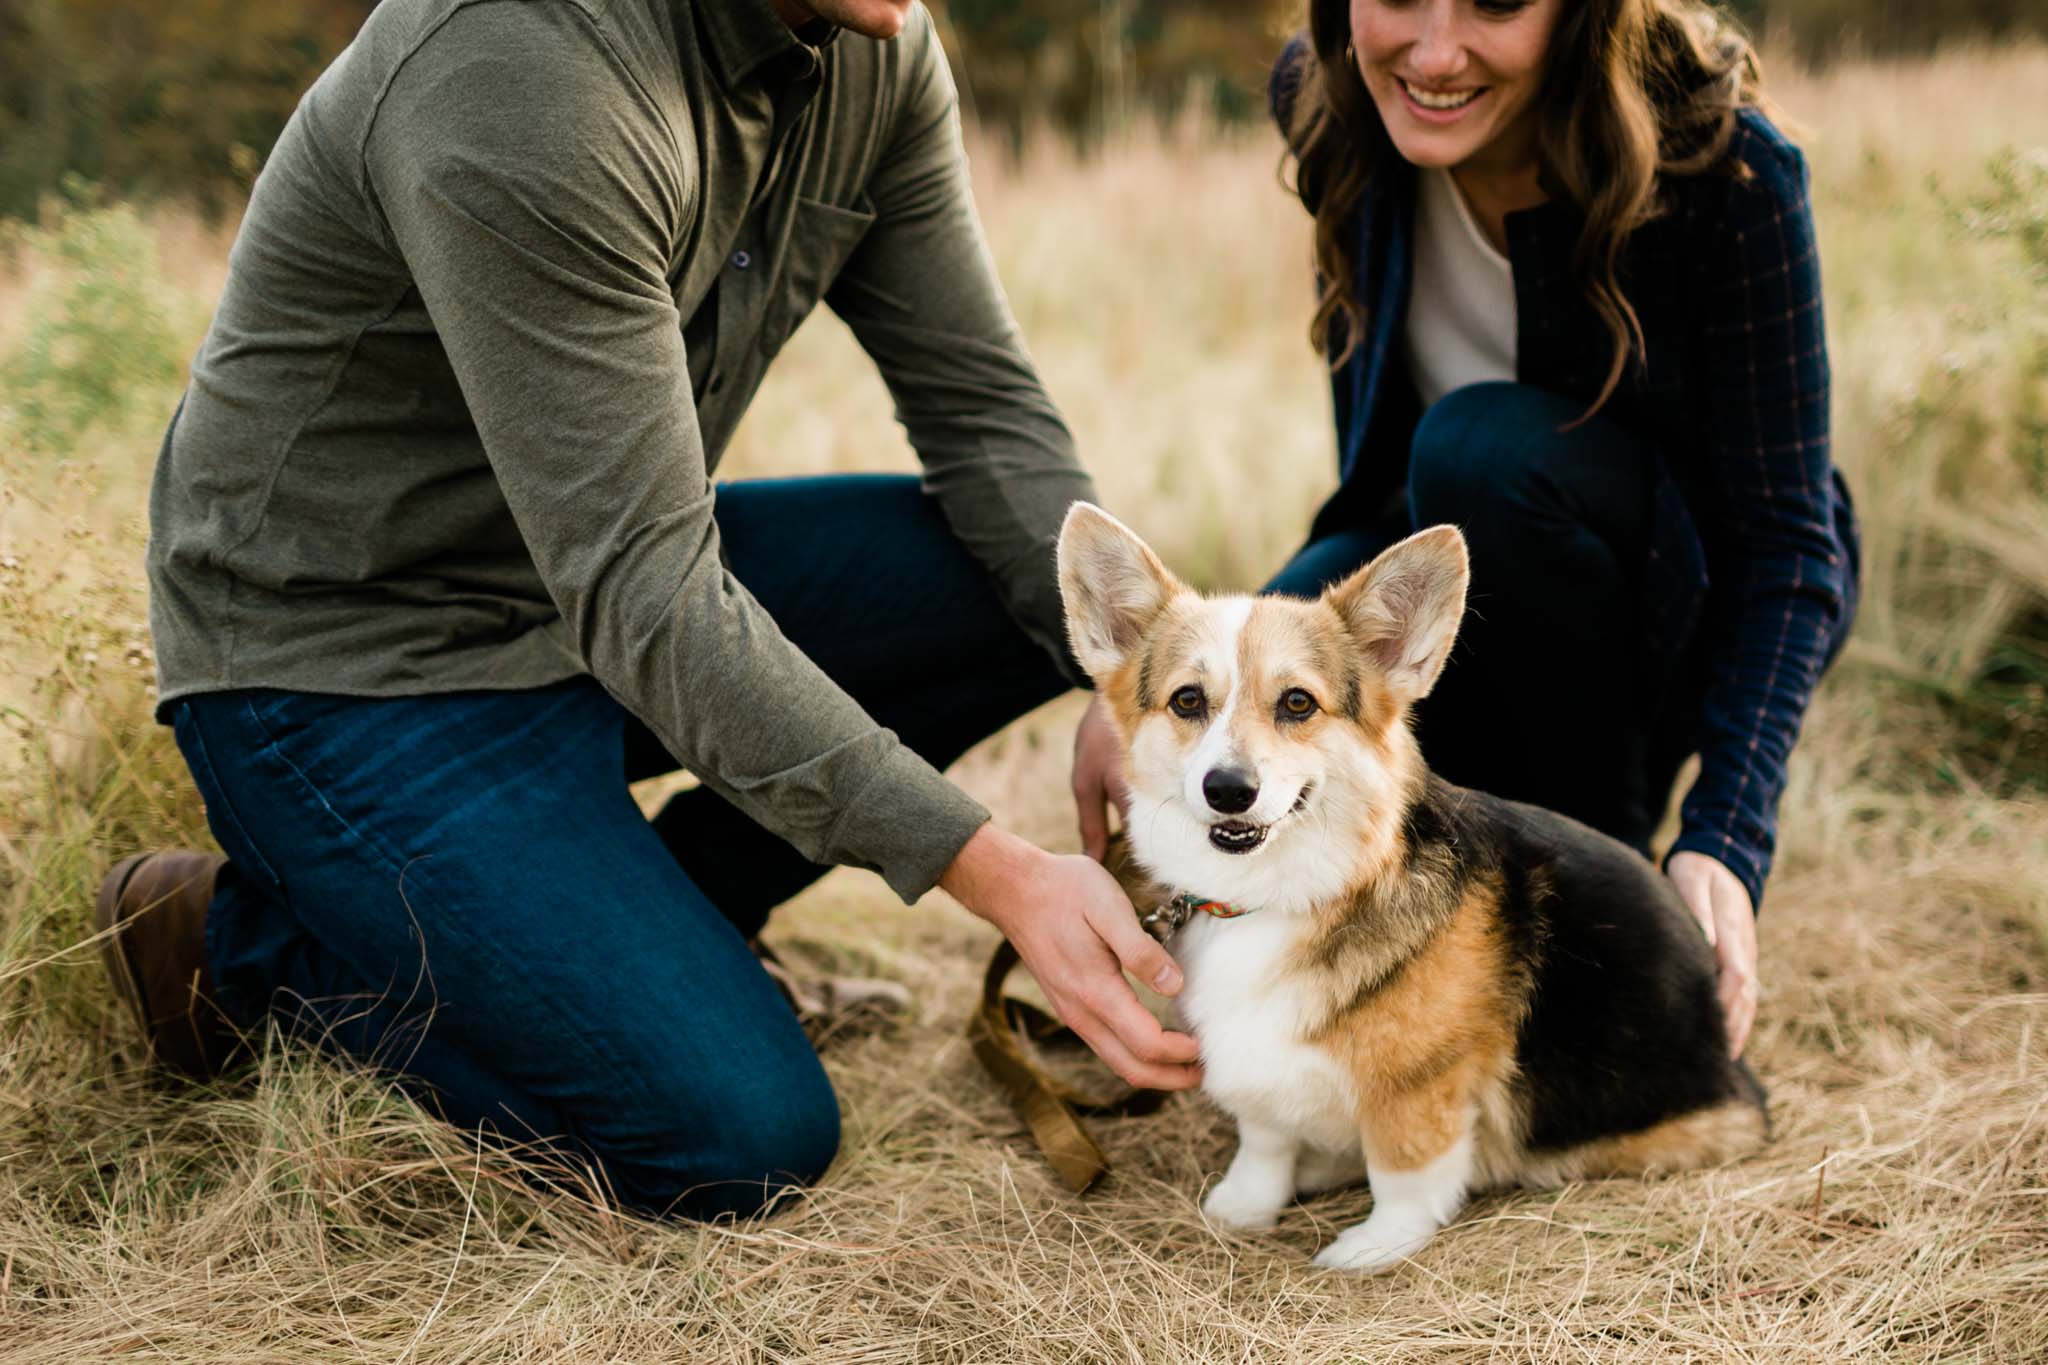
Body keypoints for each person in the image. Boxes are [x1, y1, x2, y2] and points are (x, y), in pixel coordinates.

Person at [99, 0, 1203, 1222]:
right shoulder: (517, 69)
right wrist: (996, 872)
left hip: (594, 599)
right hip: (350, 671)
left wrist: (1143, 690)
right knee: (732, 1136)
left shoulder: (881, 47)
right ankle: (236, 952)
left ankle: (664, 926)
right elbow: (647, 594)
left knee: (1016, 586)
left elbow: (981, 410)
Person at [1073, 0, 1859, 1060]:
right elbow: (1370, 504)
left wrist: (1724, 835)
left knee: (1477, 449)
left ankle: (1604, 896)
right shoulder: (1333, 99)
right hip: (1468, 602)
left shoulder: (1727, 173)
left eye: (1493, 2)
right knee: (1436, 515)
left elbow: (1789, 548)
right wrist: (1175, 690)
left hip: (1675, 614)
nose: (1433, 54)